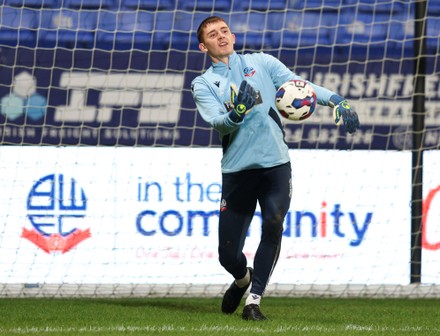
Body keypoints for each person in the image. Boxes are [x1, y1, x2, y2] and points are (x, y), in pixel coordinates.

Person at [191, 16, 360, 321]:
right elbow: (218, 122)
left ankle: (253, 301)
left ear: (233, 35)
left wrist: (336, 100)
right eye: (213, 35)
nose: (221, 37)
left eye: (225, 31)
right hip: (238, 172)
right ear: (204, 47)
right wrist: (237, 113)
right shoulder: (203, 83)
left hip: (275, 167)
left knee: (273, 224)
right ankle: (242, 279)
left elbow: (299, 86)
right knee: (227, 255)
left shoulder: (262, 63)